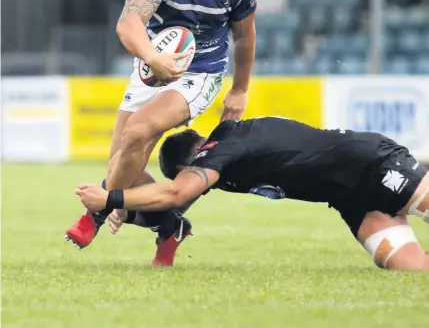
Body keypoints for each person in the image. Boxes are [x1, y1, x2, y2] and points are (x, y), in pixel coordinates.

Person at [65, 0, 257, 266]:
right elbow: (129, 22)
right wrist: (153, 58)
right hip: (154, 69)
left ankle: (97, 214)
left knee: (138, 132)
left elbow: (245, 38)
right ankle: (171, 226)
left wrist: (239, 89)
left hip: (201, 72)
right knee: (121, 173)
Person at [76, 116, 429, 271]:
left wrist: (109, 200)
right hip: (353, 202)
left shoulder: (224, 148)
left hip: (374, 162)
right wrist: (130, 213)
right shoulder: (222, 164)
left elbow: (173, 194)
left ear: (193, 159)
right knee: (409, 267)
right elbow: (175, 204)